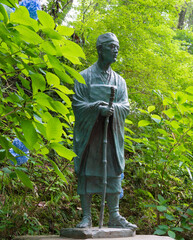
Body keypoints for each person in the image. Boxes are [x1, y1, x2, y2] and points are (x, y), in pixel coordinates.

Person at [72, 33, 137, 229]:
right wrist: (96, 108)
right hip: (91, 134)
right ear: (100, 50)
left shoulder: (120, 81)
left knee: (113, 170)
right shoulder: (84, 77)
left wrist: (113, 110)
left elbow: (125, 106)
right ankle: (86, 217)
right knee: (87, 170)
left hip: (111, 133)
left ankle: (114, 215)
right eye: (111, 46)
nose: (115, 50)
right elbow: (77, 104)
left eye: (116, 46)